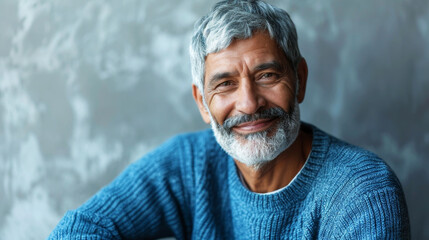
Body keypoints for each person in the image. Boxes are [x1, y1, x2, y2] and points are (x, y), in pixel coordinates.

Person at [49, 0, 410, 239]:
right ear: (202, 103)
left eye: (267, 75)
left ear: (299, 79)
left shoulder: (364, 193)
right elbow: (78, 230)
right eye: (224, 84)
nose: (249, 103)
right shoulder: (188, 163)